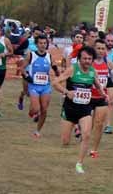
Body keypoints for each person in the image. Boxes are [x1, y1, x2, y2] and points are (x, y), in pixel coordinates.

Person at [52, 46, 105, 174]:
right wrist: (66, 92)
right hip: (70, 108)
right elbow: (55, 83)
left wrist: (103, 93)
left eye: (89, 59)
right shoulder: (72, 69)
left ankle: (79, 164)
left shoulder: (92, 72)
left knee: (86, 135)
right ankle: (73, 127)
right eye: (84, 58)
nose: (87, 61)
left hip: (85, 108)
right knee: (65, 141)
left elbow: (98, 85)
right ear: (79, 59)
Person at [25, 33, 53, 138]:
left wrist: (57, 73)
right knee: (36, 109)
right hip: (34, 86)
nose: (43, 45)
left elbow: (54, 67)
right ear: (36, 44)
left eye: (44, 43)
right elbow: (22, 68)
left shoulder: (49, 56)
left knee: (44, 110)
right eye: (40, 43)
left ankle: (37, 131)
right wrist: (27, 77)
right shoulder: (31, 55)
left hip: (46, 86)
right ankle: (31, 112)